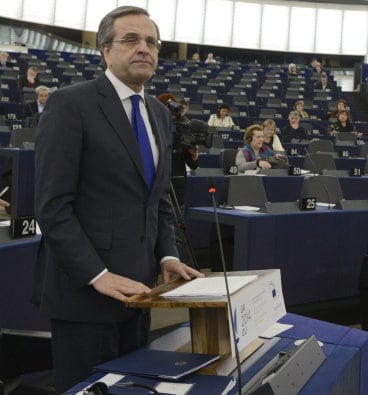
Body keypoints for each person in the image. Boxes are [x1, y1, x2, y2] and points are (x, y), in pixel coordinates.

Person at [33, 6, 203, 392]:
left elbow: (157, 199)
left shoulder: (159, 114)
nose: (144, 48)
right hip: (85, 296)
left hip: (141, 295)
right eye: (131, 40)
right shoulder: (69, 104)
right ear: (106, 51)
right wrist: (97, 274)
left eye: (151, 42)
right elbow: (53, 206)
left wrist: (167, 255)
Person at [156, 93, 199, 205]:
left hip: (177, 182)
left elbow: (193, 164)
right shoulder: (153, 127)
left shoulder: (181, 128)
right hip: (156, 182)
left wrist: (194, 156)